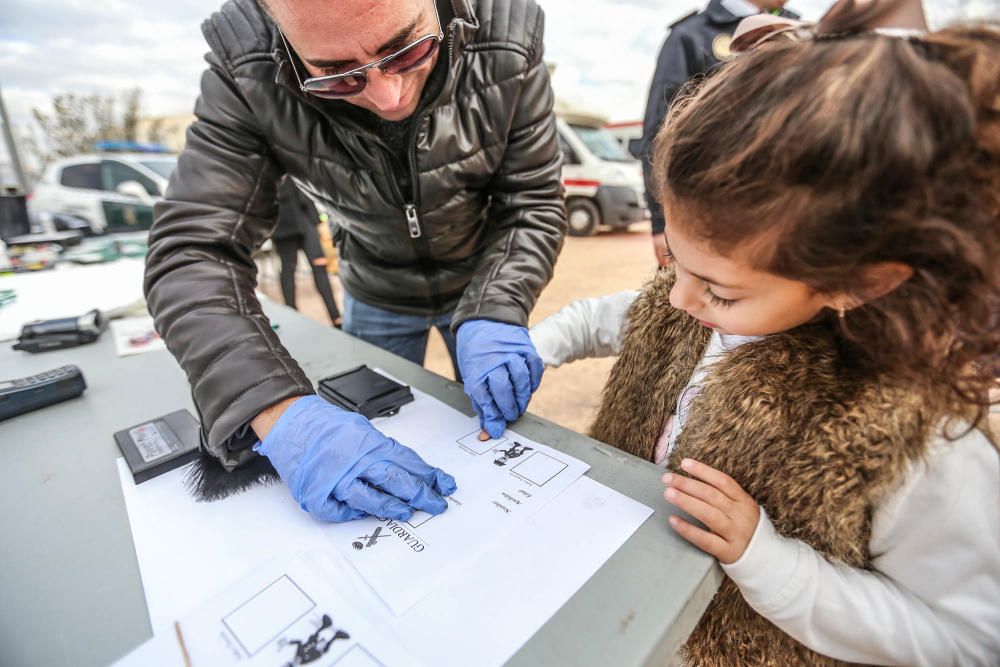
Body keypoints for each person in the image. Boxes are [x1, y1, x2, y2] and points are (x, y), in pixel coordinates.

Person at [530, 2, 1000, 663]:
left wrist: (772, 562)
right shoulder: (696, 295)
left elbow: (969, 639)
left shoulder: (921, 438)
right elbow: (613, 315)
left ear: (860, 281)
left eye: (720, 288)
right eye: (677, 263)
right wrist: (538, 345)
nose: (680, 299)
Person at [144, 0, 566, 522]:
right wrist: (275, 410)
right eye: (335, 75)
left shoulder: (509, 30)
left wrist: (499, 304)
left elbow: (534, 200)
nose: (389, 98)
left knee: (503, 434)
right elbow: (192, 250)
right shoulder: (246, 65)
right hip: (374, 291)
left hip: (480, 284)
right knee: (372, 448)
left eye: (410, 49)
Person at [634, 0, 794, 267]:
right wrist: (662, 221)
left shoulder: (798, 34)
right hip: (714, 222)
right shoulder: (690, 36)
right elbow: (659, 136)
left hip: (791, 217)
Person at [272, 178, 341, 327]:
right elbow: (305, 197)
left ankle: (291, 313)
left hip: (280, 226)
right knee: (319, 269)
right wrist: (316, 222)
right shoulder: (289, 167)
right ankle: (335, 316)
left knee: (287, 270)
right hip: (303, 222)